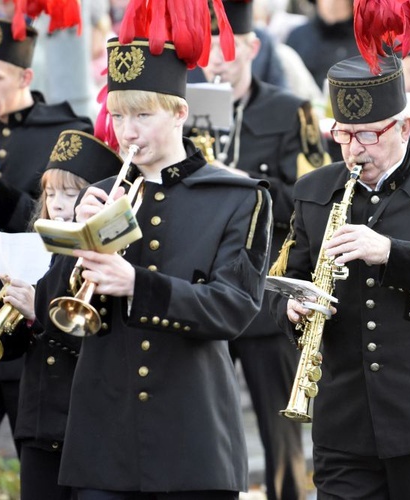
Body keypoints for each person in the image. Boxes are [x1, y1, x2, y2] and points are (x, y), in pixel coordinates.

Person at [33, 7, 274, 497]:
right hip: (104, 439)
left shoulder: (236, 197)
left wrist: (139, 286)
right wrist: (79, 239)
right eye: (119, 115)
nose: (128, 131)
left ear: (180, 113)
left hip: (193, 437)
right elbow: (50, 310)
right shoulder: (98, 195)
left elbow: (234, 309)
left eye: (143, 115)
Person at [268, 49, 410, 499]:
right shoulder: (314, 190)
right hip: (346, 421)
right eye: (344, 135)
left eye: (370, 136)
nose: (355, 149)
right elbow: (289, 278)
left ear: (405, 127)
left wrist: (391, 253)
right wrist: (291, 308)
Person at [200, 1, 330, 498]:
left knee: (280, 431)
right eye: (209, 52)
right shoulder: (184, 108)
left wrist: (249, 185)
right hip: (204, 283)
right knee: (203, 419)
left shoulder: (288, 109)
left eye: (228, 51)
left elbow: (311, 198)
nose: (217, 62)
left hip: (262, 286)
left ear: (253, 48)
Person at [0, 14, 92, 498]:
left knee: (42, 476)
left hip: (33, 330)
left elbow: (54, 228)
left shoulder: (66, 132)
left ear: (25, 77)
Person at [0, 130, 123, 500]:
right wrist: (14, 317)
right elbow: (20, 347)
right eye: (51, 194)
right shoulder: (38, 249)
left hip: (87, 422)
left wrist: (38, 310)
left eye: (72, 193)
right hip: (38, 419)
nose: (60, 204)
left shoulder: (107, 259)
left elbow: (90, 336)